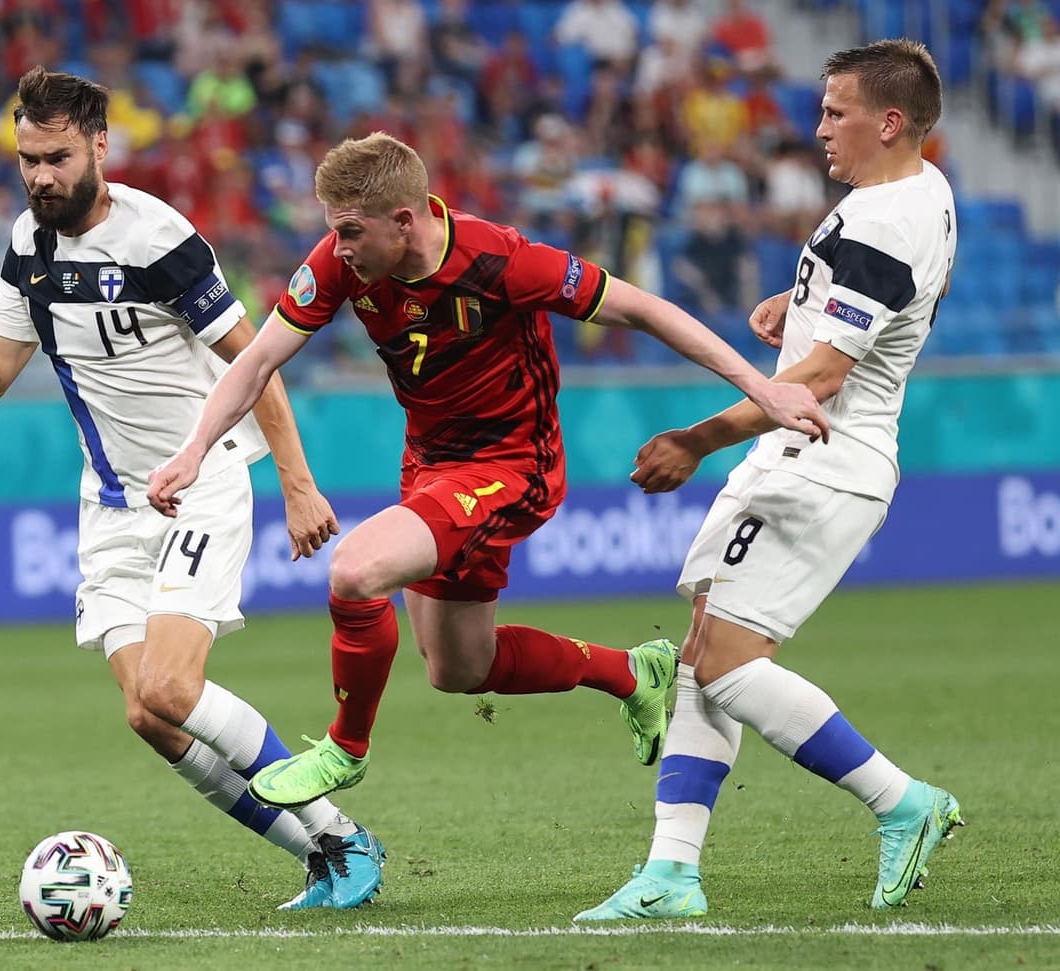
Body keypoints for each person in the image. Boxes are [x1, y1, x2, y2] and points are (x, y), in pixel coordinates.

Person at [147, 131, 829, 815]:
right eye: (335, 232)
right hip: (430, 463)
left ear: (403, 221)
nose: (341, 248)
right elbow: (258, 360)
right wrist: (193, 449)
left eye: (352, 232)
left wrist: (763, 389)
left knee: (355, 572)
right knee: (458, 667)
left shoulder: (501, 260)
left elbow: (644, 309)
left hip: (511, 461)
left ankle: (344, 748)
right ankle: (634, 672)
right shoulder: (340, 262)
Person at [0, 67, 384, 911]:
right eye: (27, 159)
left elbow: (257, 359)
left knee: (170, 686)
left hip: (198, 485)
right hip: (110, 505)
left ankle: (342, 833)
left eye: (55, 157)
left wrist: (299, 486)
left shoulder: (157, 237)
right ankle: (317, 853)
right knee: (150, 715)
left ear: (99, 144)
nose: (40, 176)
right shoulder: (28, 246)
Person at [574, 40, 963, 922]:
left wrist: (696, 438)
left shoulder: (880, 219)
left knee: (721, 664)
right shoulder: (921, 189)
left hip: (821, 456)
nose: (818, 126)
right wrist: (803, 302)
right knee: (705, 656)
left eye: (836, 112)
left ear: (889, 121)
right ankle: (672, 873)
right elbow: (896, 299)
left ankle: (902, 801)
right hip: (815, 454)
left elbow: (819, 380)